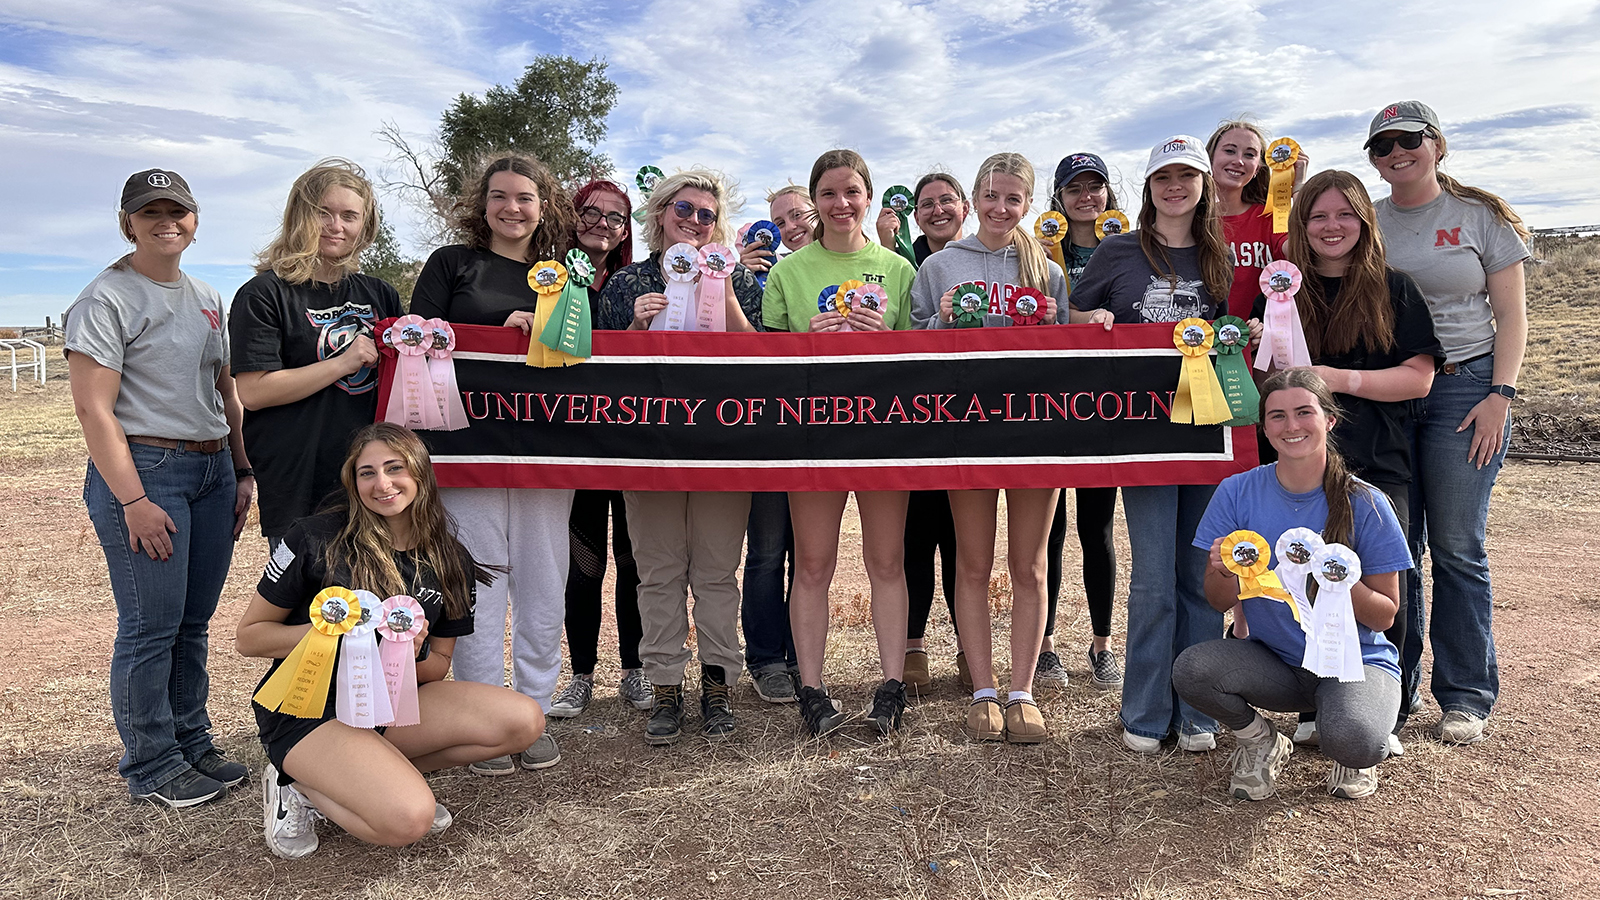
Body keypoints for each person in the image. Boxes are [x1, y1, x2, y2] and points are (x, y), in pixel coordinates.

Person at [236, 423, 545, 858]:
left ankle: (373, 777)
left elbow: (438, 663)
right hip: (307, 709)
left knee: (523, 721)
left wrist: (404, 650)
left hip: (388, 703)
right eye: (367, 473)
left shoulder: (449, 557)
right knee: (409, 820)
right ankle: (297, 786)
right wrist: (335, 634)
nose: (382, 484)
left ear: (419, 472)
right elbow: (249, 638)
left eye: (394, 468)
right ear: (352, 480)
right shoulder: (313, 537)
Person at [65, 168, 254, 807]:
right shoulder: (107, 299)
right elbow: (95, 410)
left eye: (178, 211)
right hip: (148, 472)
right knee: (151, 626)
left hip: (211, 470)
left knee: (192, 623)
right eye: (150, 213)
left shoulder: (205, 294)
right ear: (128, 223)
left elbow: (224, 390)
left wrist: (243, 469)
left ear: (196, 221)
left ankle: (191, 740)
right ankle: (152, 762)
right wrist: (134, 501)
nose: (165, 222)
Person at [1255, 170, 1443, 752]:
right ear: (1301, 225)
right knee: (1301, 578)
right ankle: (1318, 699)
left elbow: (1419, 378)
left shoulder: (1396, 289)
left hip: (1377, 463)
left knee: (1389, 585)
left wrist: (1338, 380)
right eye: (1317, 216)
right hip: (1298, 467)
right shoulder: (1284, 292)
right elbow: (1268, 381)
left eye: (1344, 214)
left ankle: (1392, 705)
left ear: (1365, 221)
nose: (1331, 226)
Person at [1366, 100, 1531, 745]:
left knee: (1458, 546)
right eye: (1381, 147)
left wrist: (1501, 393)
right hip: (1394, 393)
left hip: (1466, 390)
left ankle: (1465, 693)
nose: (1395, 153)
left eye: (1408, 140)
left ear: (1436, 145)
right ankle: (1391, 690)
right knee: (1396, 547)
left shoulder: (1478, 219)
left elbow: (1512, 316)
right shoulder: (1368, 221)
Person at [1068, 135, 1237, 754]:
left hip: (1207, 432)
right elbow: (1071, 321)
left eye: (1186, 177)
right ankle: (1144, 708)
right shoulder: (1117, 252)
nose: (1175, 187)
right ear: (1147, 187)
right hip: (1140, 435)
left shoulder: (1219, 258)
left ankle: (1197, 708)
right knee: (1154, 581)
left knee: (1200, 574)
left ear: (1203, 186)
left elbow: (1240, 334)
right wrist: (1094, 323)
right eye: (1162, 176)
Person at [408, 153, 577, 772]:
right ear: (481, 206)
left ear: (543, 205)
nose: (512, 208)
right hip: (465, 451)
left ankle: (531, 713)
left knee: (542, 579)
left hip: (543, 454)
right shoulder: (451, 264)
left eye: (525, 197)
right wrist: (492, 333)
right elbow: (416, 334)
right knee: (478, 580)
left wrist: (545, 333)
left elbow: (578, 362)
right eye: (500, 196)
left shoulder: (561, 278)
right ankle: (483, 717)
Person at [1175, 368, 1410, 801]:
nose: (1292, 426)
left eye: (1304, 412)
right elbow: (1215, 601)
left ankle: (1348, 736)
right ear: (1264, 427)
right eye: (1277, 416)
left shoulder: (1368, 502)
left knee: (1356, 741)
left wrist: (1333, 574)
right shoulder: (1236, 492)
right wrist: (1225, 571)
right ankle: (1261, 741)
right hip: (1277, 662)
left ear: (1329, 420)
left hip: (1353, 663)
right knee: (1192, 669)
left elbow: (1386, 614)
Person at [596, 168, 764, 745]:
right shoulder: (625, 284)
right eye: (684, 210)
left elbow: (762, 358)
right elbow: (600, 378)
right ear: (661, 213)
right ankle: (664, 684)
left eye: (706, 215)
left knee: (717, 573)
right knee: (658, 572)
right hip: (651, 450)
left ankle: (718, 684)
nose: (694, 221)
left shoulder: (739, 276)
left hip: (722, 449)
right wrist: (636, 327)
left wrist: (726, 291)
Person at [912, 153, 1068, 742]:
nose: (1000, 208)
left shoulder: (1045, 268)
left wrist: (1060, 324)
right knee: (972, 564)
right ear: (973, 197)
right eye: (991, 195)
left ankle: (1023, 689)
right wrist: (939, 323)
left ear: (1027, 205)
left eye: (1013, 199)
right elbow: (911, 350)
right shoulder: (939, 265)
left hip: (1033, 432)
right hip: (965, 430)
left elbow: (1063, 360)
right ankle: (982, 688)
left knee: (1028, 566)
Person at [762, 149, 917, 735]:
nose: (841, 204)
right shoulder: (788, 272)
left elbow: (919, 363)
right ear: (814, 202)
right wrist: (805, 340)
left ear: (869, 196)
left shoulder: (899, 270)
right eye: (829, 193)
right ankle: (813, 688)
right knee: (812, 563)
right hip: (813, 434)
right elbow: (768, 364)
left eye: (852, 191)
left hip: (882, 435)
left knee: (885, 560)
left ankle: (891, 684)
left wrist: (890, 340)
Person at [228, 159, 402, 545]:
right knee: (306, 602)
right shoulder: (264, 294)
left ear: (365, 225)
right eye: (323, 213)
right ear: (299, 216)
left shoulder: (380, 294)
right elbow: (255, 392)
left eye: (349, 216)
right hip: (299, 481)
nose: (336, 226)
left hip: (373, 481)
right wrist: (343, 362)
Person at [549, 180, 651, 718]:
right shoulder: (545, 278)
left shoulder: (630, 283)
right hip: (577, 445)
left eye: (616, 217)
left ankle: (634, 671)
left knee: (635, 561)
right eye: (592, 212)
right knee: (583, 565)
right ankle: (583, 674)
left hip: (631, 443)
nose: (603, 224)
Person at [738, 184, 822, 705]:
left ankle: (801, 656)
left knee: (811, 557)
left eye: (798, 215)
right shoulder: (757, 278)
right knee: (768, 552)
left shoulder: (838, 267)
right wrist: (737, 277)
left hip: (823, 433)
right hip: (771, 432)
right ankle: (766, 657)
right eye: (778, 222)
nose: (791, 227)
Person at [1046, 151, 1125, 692]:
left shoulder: (1128, 246)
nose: (1086, 197)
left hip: (1104, 404)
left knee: (1095, 528)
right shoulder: (1037, 249)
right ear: (1058, 197)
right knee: (1047, 531)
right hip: (1050, 402)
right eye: (1075, 188)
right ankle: (1046, 645)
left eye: (1095, 186)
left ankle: (1101, 645)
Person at [896, 171, 971, 693]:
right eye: (927, 204)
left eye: (947, 200)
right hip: (921, 420)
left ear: (965, 206)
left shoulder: (1005, 258)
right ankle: (913, 644)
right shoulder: (911, 266)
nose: (937, 210)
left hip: (977, 421)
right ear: (915, 214)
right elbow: (907, 333)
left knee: (965, 542)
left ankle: (971, 646)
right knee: (916, 536)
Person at [1205, 120, 1305, 320]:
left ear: (1258, 169)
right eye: (1230, 151)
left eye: (1249, 155)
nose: (1239, 161)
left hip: (1263, 339)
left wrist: (1299, 189)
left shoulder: (1271, 217)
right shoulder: (1192, 221)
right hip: (1202, 343)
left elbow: (1304, 252)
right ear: (1209, 159)